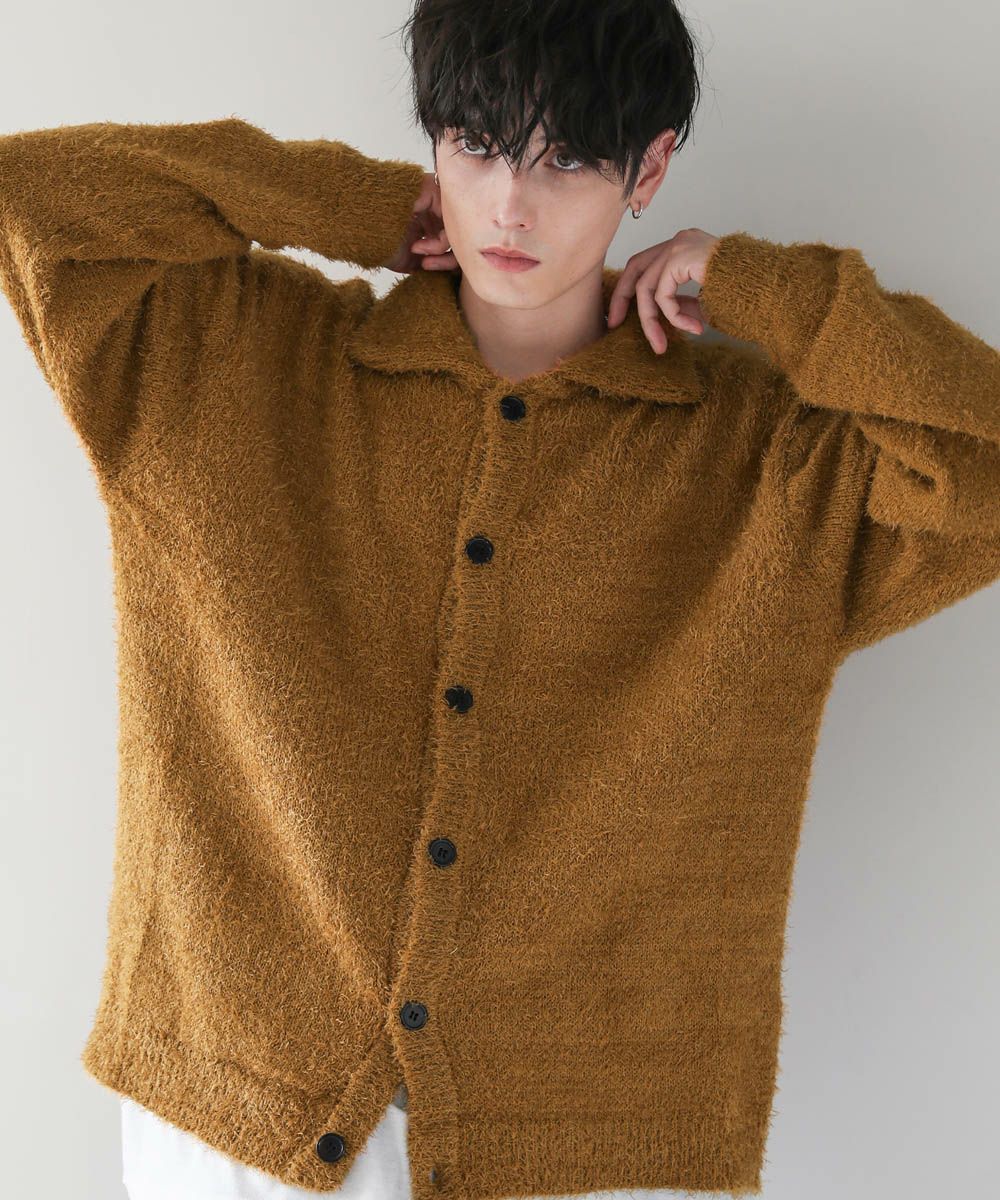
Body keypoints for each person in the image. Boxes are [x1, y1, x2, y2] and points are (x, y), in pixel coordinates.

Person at [2, 2, 998, 1199]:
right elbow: (33, 196)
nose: (510, 208)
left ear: (650, 170)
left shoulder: (767, 460)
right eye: (476, 146)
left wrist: (766, 289)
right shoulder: (231, 360)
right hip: (237, 1120)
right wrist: (349, 203)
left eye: (565, 160)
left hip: (587, 1148)